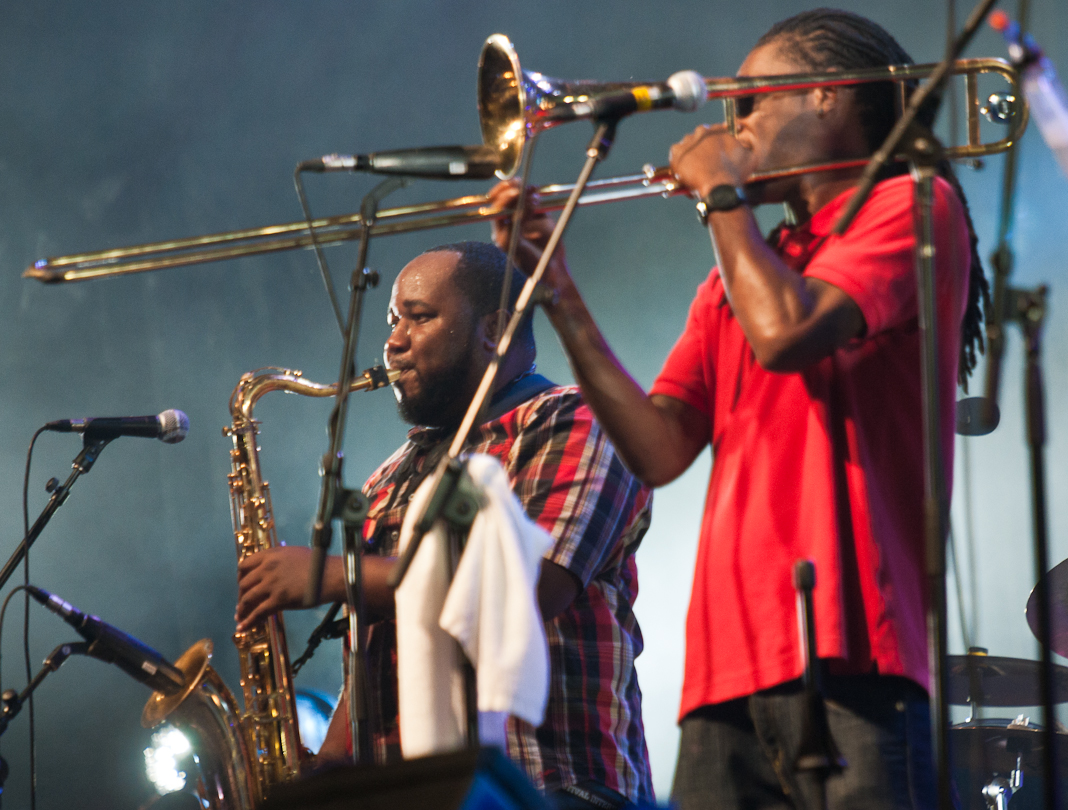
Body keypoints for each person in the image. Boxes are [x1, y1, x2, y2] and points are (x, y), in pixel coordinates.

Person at [489, 9, 988, 810]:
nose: (736, 124)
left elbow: (788, 332)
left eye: (751, 99)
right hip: (726, 666)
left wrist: (724, 193)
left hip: (852, 647)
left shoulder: (913, 207)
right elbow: (657, 451)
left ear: (827, 95)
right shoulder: (736, 277)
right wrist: (557, 294)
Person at [235, 240, 655, 808]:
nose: (394, 342)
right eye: (391, 320)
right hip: (413, 793)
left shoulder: (576, 420)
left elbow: (531, 587)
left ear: (495, 329)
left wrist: (335, 576)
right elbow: (374, 649)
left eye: (420, 317)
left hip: (552, 786)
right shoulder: (391, 475)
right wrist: (327, 765)